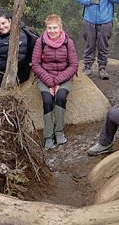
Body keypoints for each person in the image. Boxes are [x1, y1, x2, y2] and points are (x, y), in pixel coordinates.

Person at [31, 14, 78, 149]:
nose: (52, 31)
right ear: (46, 29)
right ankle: (48, 136)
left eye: (55, 28)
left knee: (61, 97)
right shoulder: (41, 42)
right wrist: (50, 83)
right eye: (49, 28)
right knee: (47, 100)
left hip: (64, 77)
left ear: (60, 28)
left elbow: (74, 65)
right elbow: (35, 64)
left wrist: (57, 82)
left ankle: (59, 132)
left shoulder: (68, 42)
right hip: (45, 77)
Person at [0, 9, 34, 94]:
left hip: (17, 74)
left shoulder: (22, 34)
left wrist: (5, 76)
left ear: (10, 21)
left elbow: (21, 58)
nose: (1, 27)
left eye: (3, 23)